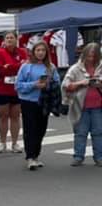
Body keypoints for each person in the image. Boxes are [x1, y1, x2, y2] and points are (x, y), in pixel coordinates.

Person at [16, 42, 60, 170]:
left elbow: (57, 83)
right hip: (28, 101)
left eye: (43, 50)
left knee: (41, 129)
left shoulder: (51, 67)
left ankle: (36, 155)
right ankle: (30, 156)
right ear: (33, 52)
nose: (40, 53)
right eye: (38, 50)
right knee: (30, 129)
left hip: (44, 101)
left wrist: (49, 84)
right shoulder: (26, 67)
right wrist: (34, 85)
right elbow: (18, 86)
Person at [63, 43, 102, 167]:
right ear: (84, 55)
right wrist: (82, 83)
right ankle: (78, 156)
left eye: (94, 57)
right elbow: (66, 85)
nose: (91, 59)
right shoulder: (75, 68)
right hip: (81, 106)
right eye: (89, 56)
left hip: (98, 106)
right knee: (80, 133)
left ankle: (99, 157)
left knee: (98, 132)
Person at [0, 31, 27, 154]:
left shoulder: (22, 52)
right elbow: (1, 70)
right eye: (7, 38)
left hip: (17, 89)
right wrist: (16, 66)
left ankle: (14, 143)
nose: (9, 40)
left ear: (16, 39)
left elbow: (24, 68)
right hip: (3, 88)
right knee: (3, 116)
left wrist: (10, 66)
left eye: (11, 37)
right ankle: (2, 142)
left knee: (15, 116)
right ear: (4, 40)